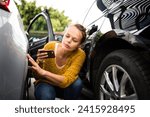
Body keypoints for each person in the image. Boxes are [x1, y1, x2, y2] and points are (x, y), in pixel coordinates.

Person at [27, 23, 86, 100]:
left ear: (79, 45)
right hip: (45, 83)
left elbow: (66, 80)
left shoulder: (80, 54)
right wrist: (40, 63)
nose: (68, 41)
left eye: (74, 40)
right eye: (67, 36)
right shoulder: (50, 46)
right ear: (63, 35)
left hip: (64, 87)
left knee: (77, 83)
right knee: (46, 96)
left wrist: (43, 72)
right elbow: (37, 77)